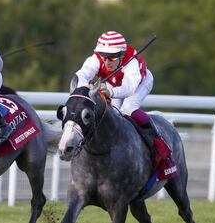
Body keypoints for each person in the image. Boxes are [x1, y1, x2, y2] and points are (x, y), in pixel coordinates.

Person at [74, 31, 178, 180]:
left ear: (122, 55)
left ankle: (159, 144)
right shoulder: (95, 59)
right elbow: (81, 75)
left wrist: (110, 90)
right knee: (114, 114)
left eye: (113, 57)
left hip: (140, 83)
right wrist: (85, 88)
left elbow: (129, 87)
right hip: (115, 83)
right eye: (104, 57)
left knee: (128, 109)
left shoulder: (131, 61)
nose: (108, 61)